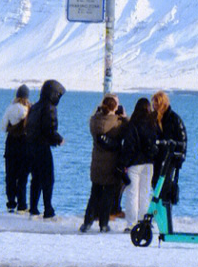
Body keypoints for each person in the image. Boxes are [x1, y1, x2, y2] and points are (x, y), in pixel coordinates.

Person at [80, 95, 123, 233]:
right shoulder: (116, 122)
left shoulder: (94, 120)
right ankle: (103, 223)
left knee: (95, 192)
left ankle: (87, 222)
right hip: (111, 162)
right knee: (108, 194)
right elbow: (126, 127)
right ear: (114, 107)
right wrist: (123, 115)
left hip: (97, 160)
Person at [25, 79, 65, 218]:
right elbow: (49, 128)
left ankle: (33, 208)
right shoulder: (49, 108)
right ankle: (48, 209)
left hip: (32, 146)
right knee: (48, 178)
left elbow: (30, 127)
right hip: (42, 147)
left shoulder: (35, 106)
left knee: (36, 178)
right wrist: (58, 139)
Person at [120, 97, 160, 229]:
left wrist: (124, 163)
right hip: (149, 163)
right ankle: (145, 221)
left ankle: (131, 223)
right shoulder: (153, 124)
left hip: (134, 163)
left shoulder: (133, 123)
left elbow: (129, 146)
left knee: (132, 194)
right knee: (145, 193)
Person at [151, 92, 187, 203]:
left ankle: (165, 211)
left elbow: (182, 139)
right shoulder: (153, 118)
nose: (154, 106)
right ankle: (160, 211)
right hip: (156, 157)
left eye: (157, 103)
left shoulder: (174, 119)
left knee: (165, 185)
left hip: (169, 159)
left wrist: (180, 157)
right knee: (155, 183)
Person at [0, 85, 31, 213]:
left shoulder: (10, 108)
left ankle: (11, 202)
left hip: (11, 144)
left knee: (11, 176)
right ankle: (22, 205)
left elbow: (2, 127)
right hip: (25, 144)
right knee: (23, 176)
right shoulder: (29, 109)